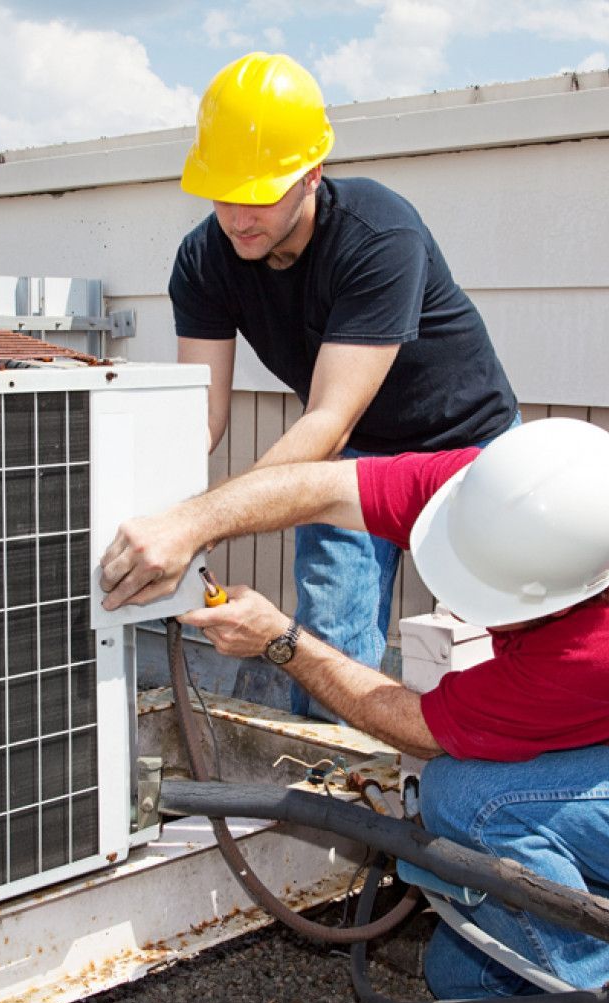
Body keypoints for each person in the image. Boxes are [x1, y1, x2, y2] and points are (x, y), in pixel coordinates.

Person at [101, 418, 609, 1003]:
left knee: (468, 802)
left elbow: (415, 726)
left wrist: (281, 641)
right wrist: (191, 520)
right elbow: (321, 485)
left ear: (561, 595)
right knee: (455, 976)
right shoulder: (499, 496)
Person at [171, 51, 519, 718]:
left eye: (263, 193)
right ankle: (332, 801)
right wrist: (161, 508)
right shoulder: (204, 259)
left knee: (505, 633)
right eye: (225, 193)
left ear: (311, 175)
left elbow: (328, 417)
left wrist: (200, 522)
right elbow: (202, 414)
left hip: (468, 450)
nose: (240, 217)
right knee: (327, 640)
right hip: (353, 457)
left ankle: (491, 789)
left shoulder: (378, 233)